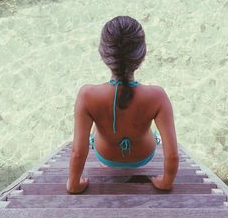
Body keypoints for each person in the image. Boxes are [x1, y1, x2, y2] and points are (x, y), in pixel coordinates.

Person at [67, 15, 179, 194]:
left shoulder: (87, 95)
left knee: (97, 129)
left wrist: (74, 184)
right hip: (144, 156)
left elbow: (78, 153)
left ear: (103, 54)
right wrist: (166, 182)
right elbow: (172, 154)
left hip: (106, 156)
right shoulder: (157, 96)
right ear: (141, 55)